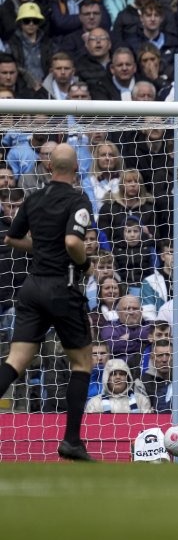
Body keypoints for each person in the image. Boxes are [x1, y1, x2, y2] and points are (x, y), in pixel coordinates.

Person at [0, 144, 95, 461]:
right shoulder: (78, 200)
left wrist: (41, 248)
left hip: (32, 287)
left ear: (49, 167)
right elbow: (72, 241)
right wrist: (85, 264)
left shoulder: (34, 198)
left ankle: (72, 442)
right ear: (76, 168)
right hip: (62, 288)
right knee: (82, 363)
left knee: (16, 361)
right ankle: (71, 441)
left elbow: (12, 238)